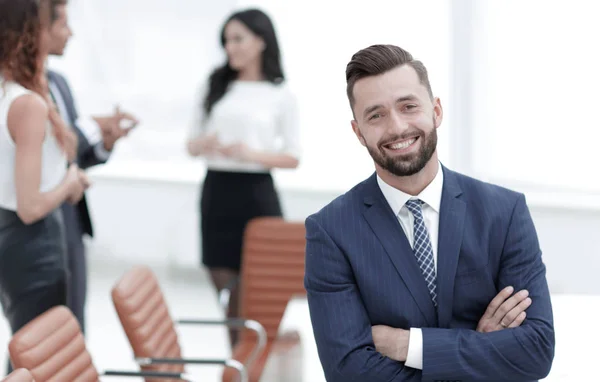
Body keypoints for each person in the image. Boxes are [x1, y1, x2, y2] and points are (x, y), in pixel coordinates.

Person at [304, 44, 555, 382]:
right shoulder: (331, 231)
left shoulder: (504, 212)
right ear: (358, 132)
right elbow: (348, 371)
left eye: (408, 106)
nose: (396, 128)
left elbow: (535, 351)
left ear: (436, 111)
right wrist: (480, 349)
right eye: (375, 115)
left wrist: (410, 345)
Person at [187, 8, 301, 347]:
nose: (230, 47)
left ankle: (259, 356)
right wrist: (205, 144)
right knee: (225, 287)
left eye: (238, 39)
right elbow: (191, 144)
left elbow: (293, 157)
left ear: (261, 41)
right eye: (226, 41)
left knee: (263, 285)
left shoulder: (281, 94)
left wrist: (249, 154)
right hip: (217, 189)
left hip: (257, 192)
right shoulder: (214, 85)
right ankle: (238, 360)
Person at [0, 0, 89, 373]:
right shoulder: (27, 104)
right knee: (39, 357)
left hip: (17, 237)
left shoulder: (12, 92)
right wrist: (68, 182)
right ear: (31, 34)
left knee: (33, 349)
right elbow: (30, 206)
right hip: (32, 240)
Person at [44, 0, 139, 334]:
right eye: (63, 24)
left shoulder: (60, 82)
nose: (70, 33)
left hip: (70, 220)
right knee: (39, 333)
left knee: (71, 324)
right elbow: (50, 152)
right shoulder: (18, 89)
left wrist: (105, 140)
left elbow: (72, 156)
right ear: (37, 28)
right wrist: (90, 128)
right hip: (39, 222)